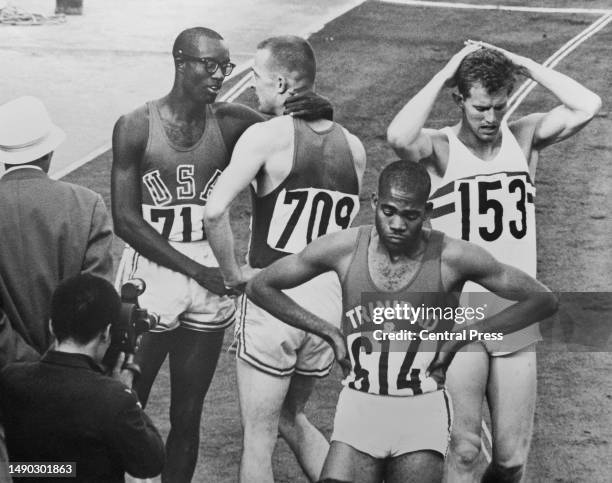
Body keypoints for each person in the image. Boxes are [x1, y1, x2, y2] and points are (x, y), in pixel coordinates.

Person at [246, 161, 558, 483]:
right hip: (359, 411)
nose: (397, 224)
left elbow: (543, 299)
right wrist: (329, 333)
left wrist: (464, 335)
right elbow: (260, 286)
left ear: (427, 212)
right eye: (389, 211)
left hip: (420, 415)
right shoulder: (344, 249)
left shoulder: (453, 257)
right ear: (373, 203)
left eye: (410, 215)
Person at [112, 27, 332, 482]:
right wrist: (198, 270)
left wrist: (322, 108)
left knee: (188, 414)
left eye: (224, 67)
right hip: (155, 273)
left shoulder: (232, 121)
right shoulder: (135, 124)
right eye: (208, 65)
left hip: (210, 277)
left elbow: (294, 124)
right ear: (180, 62)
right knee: (126, 401)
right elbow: (126, 221)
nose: (218, 75)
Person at [386, 42, 601, 482]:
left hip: (514, 310)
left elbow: (588, 104)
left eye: (499, 107)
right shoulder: (441, 148)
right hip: (458, 311)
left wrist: (521, 63)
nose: (490, 118)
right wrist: (447, 69)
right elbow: (398, 136)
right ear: (459, 99)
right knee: (464, 450)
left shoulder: (524, 136)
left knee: (510, 460)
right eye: (480, 107)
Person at [204, 36, 366, 482]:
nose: (252, 87)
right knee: (291, 418)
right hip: (325, 309)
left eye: (255, 77)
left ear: (280, 81)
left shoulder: (266, 136)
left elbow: (214, 211)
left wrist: (233, 273)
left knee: (258, 436)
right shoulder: (354, 147)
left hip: (273, 300)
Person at [0, 274, 165, 483]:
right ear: (106, 333)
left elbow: (19, 468)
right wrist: (128, 393)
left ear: (52, 326)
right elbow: (150, 462)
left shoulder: (11, 379)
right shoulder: (113, 399)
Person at [0, 95, 113, 364]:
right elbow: (96, 298)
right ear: (49, 152)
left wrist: (24, 364)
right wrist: (54, 364)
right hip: (71, 377)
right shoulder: (87, 205)